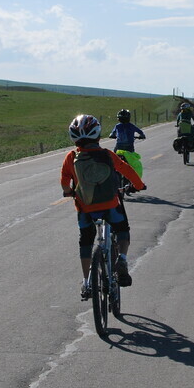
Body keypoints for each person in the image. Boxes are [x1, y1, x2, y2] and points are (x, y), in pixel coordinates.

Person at [61, 114, 146, 299]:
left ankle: (86, 283)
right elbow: (126, 169)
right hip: (110, 205)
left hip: (85, 209)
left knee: (85, 241)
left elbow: (64, 181)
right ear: (98, 135)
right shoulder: (107, 154)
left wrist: (68, 192)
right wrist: (139, 185)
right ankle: (122, 258)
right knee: (122, 229)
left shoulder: (71, 157)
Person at [109, 109, 146, 179]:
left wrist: (112, 136)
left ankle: (113, 172)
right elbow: (140, 132)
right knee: (132, 161)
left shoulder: (117, 126)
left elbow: (112, 134)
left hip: (119, 147)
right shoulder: (131, 126)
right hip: (129, 148)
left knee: (114, 159)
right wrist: (142, 136)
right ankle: (133, 176)